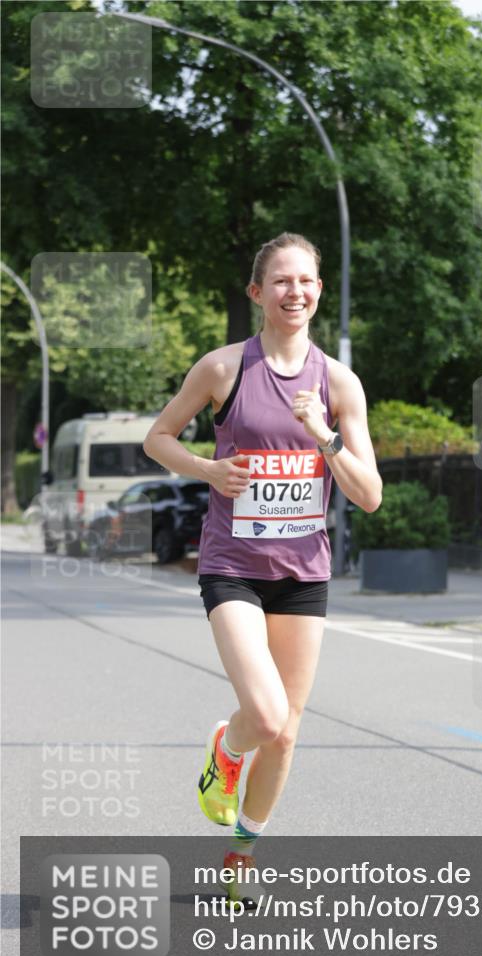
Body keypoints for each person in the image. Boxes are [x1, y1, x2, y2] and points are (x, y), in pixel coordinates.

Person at [144, 232, 382, 901]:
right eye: (280, 280)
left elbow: (367, 493)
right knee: (267, 715)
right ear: (256, 292)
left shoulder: (337, 383)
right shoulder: (223, 369)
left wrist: (324, 436)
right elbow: (157, 437)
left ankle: (240, 860)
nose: (294, 292)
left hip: (303, 571)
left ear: (318, 291)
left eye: (305, 280)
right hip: (233, 565)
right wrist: (208, 469)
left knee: (286, 732)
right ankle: (226, 747)